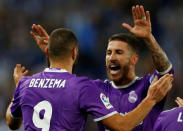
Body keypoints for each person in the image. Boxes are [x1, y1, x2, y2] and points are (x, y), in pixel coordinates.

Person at [30, 5, 174, 131]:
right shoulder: (97, 89)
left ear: (134, 59)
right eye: (108, 53)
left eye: (119, 52)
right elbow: (64, 84)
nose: (111, 57)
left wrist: (149, 39)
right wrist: (54, 54)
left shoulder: (147, 86)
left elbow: (166, 71)